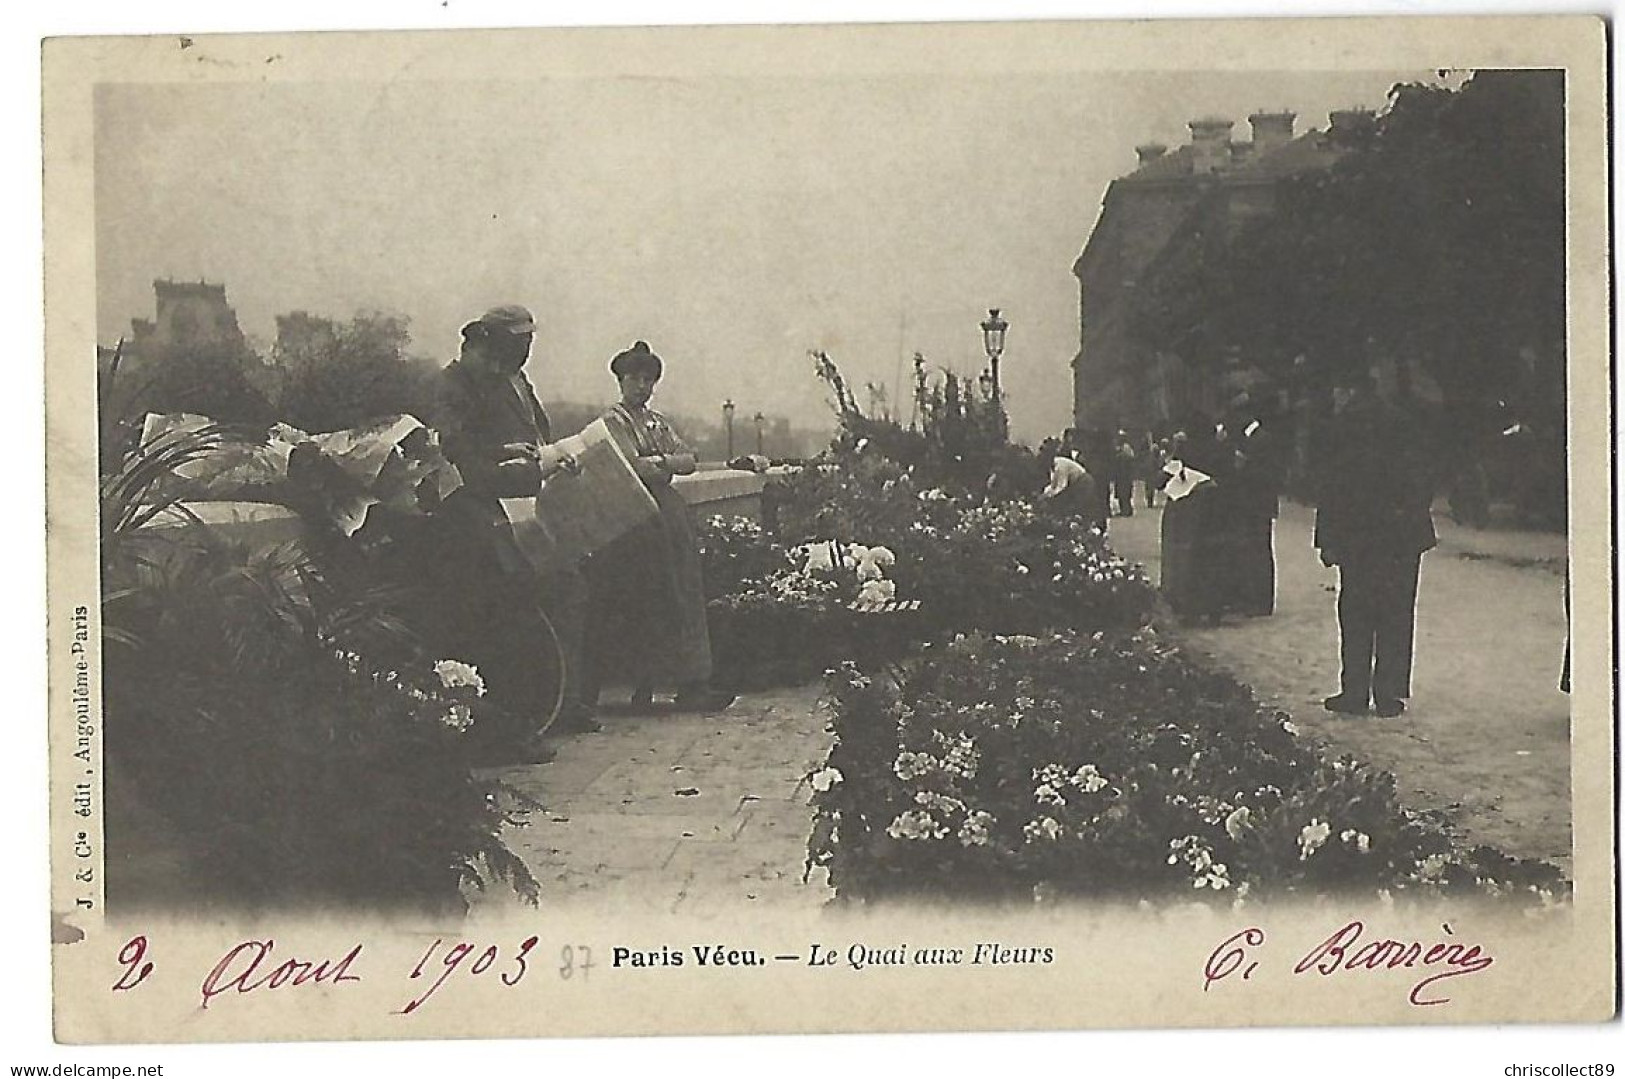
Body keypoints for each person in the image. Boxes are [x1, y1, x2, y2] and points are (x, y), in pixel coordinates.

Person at [428, 304, 598, 761]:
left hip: (504, 512)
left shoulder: (501, 381)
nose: (502, 367)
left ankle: (553, 705)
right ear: (477, 347)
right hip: (468, 521)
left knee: (559, 586)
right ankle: (510, 725)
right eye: (496, 356)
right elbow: (456, 458)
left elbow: (491, 446)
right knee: (507, 605)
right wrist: (513, 466)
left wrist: (524, 456)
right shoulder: (452, 387)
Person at [582, 341, 735, 713]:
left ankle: (691, 681)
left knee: (682, 593)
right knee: (643, 597)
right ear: (620, 380)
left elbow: (689, 461)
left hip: (668, 517)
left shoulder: (657, 421)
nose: (641, 386)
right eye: (634, 378)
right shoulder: (611, 422)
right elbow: (629, 464)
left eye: (648, 379)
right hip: (632, 517)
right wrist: (662, 463)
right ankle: (637, 681)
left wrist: (662, 460)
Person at [1313, 372, 1437, 718]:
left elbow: (1331, 488)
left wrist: (1328, 540)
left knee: (1355, 613)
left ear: (1349, 389)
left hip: (1360, 538)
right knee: (1396, 613)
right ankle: (1388, 695)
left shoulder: (1342, 427)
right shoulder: (1404, 422)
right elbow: (1424, 477)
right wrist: (1408, 513)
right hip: (1400, 537)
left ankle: (1354, 692)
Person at [1219, 393, 1282, 616]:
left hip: (1257, 502)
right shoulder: (1249, 438)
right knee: (1250, 549)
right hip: (1251, 502)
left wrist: (1244, 465)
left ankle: (1261, 601)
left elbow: (1269, 474)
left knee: (1258, 550)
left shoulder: (1261, 439)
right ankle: (1251, 597)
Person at [1041, 441, 1104, 531]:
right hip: (1078, 483)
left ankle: (1091, 527)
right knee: (1079, 505)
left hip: (1084, 481)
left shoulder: (1060, 465)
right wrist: (1045, 494)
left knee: (1083, 505)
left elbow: (1061, 486)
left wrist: (1048, 496)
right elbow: (1053, 485)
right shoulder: (1053, 468)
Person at [1111, 431, 1137, 517]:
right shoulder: (1126, 448)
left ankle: (1126, 510)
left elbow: (1125, 461)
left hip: (1123, 475)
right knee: (1125, 493)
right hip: (1126, 475)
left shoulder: (1125, 449)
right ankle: (1126, 510)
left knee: (1124, 493)